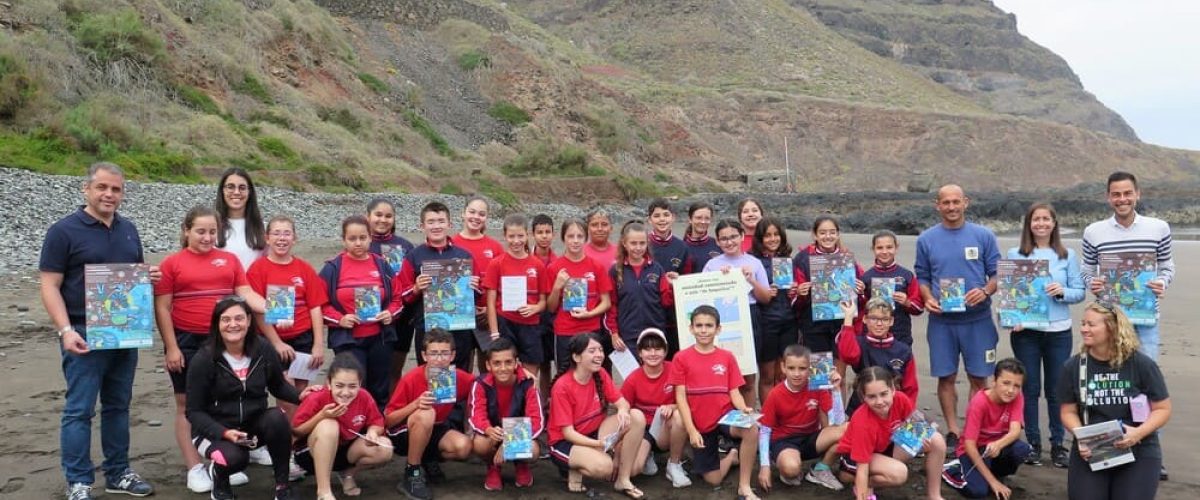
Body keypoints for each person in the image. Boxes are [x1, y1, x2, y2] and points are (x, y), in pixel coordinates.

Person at [39, 162, 156, 500]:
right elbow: (49, 285)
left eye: (116, 189)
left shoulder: (129, 230)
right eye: (102, 187)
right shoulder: (63, 231)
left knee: (119, 406)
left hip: (124, 334)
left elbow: (129, 280)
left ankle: (118, 473)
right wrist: (64, 330)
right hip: (83, 334)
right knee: (79, 409)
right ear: (86, 189)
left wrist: (147, 277)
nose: (109, 194)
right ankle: (78, 481)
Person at [155, 205, 266, 493]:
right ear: (186, 231)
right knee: (187, 405)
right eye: (200, 231)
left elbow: (245, 293)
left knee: (221, 402)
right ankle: (194, 467)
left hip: (224, 340)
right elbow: (163, 307)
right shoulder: (172, 263)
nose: (207, 237)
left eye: (212, 232)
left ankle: (221, 462)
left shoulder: (228, 260)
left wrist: (274, 309)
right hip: (187, 342)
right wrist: (171, 347)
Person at [185, 296, 311, 500]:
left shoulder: (262, 348)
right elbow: (193, 411)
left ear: (249, 321)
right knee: (235, 459)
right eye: (226, 320)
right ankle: (219, 478)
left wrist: (302, 396)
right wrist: (224, 432)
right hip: (214, 431)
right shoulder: (204, 359)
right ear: (217, 324)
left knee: (277, 418)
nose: (233, 324)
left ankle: (282, 486)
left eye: (239, 318)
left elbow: (278, 386)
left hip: (250, 425)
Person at [914, 184, 1001, 451]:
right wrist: (927, 297)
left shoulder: (984, 235)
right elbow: (922, 277)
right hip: (942, 322)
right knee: (946, 377)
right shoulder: (926, 239)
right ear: (937, 205)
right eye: (946, 202)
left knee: (979, 378)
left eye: (956, 202)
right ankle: (953, 430)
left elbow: (997, 275)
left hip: (978, 320)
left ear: (966, 202)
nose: (951, 207)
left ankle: (973, 430)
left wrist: (985, 291)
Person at [1057, 303, 1172, 499]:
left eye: (1091, 324)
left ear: (1111, 327)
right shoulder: (1074, 366)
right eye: (1083, 323)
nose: (1084, 329)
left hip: (1138, 447)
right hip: (1093, 448)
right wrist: (1081, 437)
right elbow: (1068, 412)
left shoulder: (1141, 364)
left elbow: (1162, 408)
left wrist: (1138, 433)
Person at [1006, 202, 1085, 467]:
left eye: (1046, 219)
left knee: (1056, 390)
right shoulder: (1014, 253)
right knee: (1028, 389)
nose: (1041, 223)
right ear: (1029, 224)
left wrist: (1061, 291)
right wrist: (1011, 319)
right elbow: (1010, 297)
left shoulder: (1067, 255)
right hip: (1026, 332)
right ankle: (1032, 443)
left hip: (1058, 332)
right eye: (1036, 219)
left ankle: (1057, 444)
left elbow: (1080, 291)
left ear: (1054, 223)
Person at [1080, 171, 1174, 361]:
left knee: (1147, 372)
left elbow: (1167, 266)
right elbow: (1086, 270)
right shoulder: (1093, 232)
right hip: (1108, 317)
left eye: (1127, 193)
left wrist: (1162, 282)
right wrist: (1092, 283)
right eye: (1116, 194)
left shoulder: (1159, 228)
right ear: (1108, 197)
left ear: (1137, 194)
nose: (1122, 199)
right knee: (1113, 375)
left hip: (1146, 316)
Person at [672, 305, 762, 500]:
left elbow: (734, 392)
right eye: (699, 325)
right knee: (713, 480)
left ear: (718, 329)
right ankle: (731, 456)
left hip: (725, 417)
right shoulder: (681, 358)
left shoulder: (727, 357)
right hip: (700, 423)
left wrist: (743, 408)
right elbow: (680, 397)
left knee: (751, 429)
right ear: (691, 328)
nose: (704, 330)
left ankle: (744, 486)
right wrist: (692, 430)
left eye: (709, 325)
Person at [548, 333, 646, 498]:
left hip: (594, 432)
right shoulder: (562, 386)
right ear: (577, 357)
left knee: (636, 416)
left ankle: (623, 479)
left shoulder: (600, 373)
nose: (599, 355)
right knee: (604, 467)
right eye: (592, 351)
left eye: (600, 350)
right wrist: (598, 444)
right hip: (565, 442)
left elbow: (622, 402)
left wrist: (622, 409)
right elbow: (568, 433)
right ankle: (574, 468)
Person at [319, 215, 402, 408]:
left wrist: (389, 313)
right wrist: (340, 319)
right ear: (344, 240)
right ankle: (350, 430)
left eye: (363, 238)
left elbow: (397, 298)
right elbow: (319, 305)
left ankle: (378, 428)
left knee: (380, 388)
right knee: (353, 388)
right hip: (348, 340)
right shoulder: (332, 268)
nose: (358, 243)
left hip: (380, 338)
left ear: (370, 238)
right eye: (352, 238)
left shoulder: (382, 265)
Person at [247, 216, 329, 405]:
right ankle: (285, 433)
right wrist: (276, 343)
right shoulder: (258, 269)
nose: (281, 238)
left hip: (303, 338)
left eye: (287, 233)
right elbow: (257, 311)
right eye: (276, 233)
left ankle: (297, 433)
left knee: (302, 393)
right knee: (285, 392)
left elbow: (315, 307)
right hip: (273, 339)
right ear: (267, 238)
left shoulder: (304, 268)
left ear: (294, 238)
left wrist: (318, 344)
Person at [385, 328, 474, 500]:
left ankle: (426, 458)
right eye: (433, 353)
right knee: (426, 413)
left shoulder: (458, 377)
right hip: (404, 430)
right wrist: (415, 404)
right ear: (424, 356)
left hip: (437, 427)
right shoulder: (410, 379)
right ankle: (412, 471)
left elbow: (484, 384)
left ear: (452, 355)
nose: (439, 359)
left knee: (463, 447)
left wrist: (521, 373)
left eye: (444, 354)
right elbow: (388, 420)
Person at [292, 353, 393, 500]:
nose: (345, 393)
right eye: (339, 386)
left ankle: (348, 474)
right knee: (329, 425)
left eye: (352, 386)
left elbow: (377, 422)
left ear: (360, 383)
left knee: (384, 448)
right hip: (310, 453)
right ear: (329, 383)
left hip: (346, 451)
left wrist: (372, 432)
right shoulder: (317, 397)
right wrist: (322, 416)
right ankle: (324, 491)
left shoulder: (364, 396)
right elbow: (296, 431)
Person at [837, 367, 947, 500]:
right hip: (855, 460)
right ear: (863, 397)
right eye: (872, 396)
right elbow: (862, 466)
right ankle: (867, 485)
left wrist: (921, 439)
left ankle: (934, 495)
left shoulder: (901, 399)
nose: (879, 401)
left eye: (884, 394)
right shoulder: (862, 421)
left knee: (937, 440)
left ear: (893, 390)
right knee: (899, 473)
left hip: (886, 446)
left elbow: (919, 423)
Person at [395, 202, 481, 370]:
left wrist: (473, 287)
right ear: (422, 226)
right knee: (431, 375)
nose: (436, 226)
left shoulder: (464, 256)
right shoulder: (414, 256)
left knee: (460, 374)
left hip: (459, 327)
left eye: (441, 221)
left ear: (449, 224)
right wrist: (416, 288)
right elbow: (402, 295)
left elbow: (479, 293)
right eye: (431, 222)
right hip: (427, 328)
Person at [757, 344, 846, 492]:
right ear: (783, 367)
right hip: (785, 441)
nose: (796, 374)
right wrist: (764, 466)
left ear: (810, 368)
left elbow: (838, 422)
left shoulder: (816, 384)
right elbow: (765, 431)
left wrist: (836, 390)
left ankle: (820, 469)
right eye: (791, 368)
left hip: (811, 438)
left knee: (848, 429)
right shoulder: (775, 394)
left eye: (802, 368)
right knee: (791, 469)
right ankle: (785, 465)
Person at [703, 219, 772, 408]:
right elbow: (703, 298)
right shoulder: (711, 265)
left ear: (742, 236)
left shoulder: (754, 263)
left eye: (733, 236)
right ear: (717, 242)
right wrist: (719, 279)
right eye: (723, 239)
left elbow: (765, 297)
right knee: (721, 375)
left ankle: (746, 422)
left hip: (750, 317)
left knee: (747, 377)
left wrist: (751, 280)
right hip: (720, 319)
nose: (729, 242)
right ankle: (725, 426)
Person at [941, 358, 1032, 499]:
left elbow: (1015, 431)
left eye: (1016, 386)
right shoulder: (979, 402)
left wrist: (998, 444)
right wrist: (992, 482)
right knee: (978, 492)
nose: (1011, 390)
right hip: (974, 450)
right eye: (1006, 383)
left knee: (1022, 450)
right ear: (994, 382)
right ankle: (951, 471)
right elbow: (969, 445)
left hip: (994, 448)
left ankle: (995, 474)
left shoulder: (1017, 396)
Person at [467, 338, 545, 491]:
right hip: (494, 432)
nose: (503, 368)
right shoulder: (481, 384)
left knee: (534, 450)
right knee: (480, 444)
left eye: (508, 362)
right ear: (488, 365)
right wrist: (488, 429)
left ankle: (520, 464)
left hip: (518, 433)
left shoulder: (528, 383)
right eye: (496, 363)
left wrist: (509, 441)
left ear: (516, 363)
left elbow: (537, 421)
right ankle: (493, 466)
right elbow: (476, 416)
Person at [620, 329, 691, 488]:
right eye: (647, 349)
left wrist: (671, 406)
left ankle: (674, 464)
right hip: (643, 430)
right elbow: (624, 406)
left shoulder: (674, 369)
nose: (653, 353)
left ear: (666, 351)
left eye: (658, 348)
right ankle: (647, 454)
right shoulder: (633, 378)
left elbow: (688, 399)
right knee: (634, 470)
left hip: (663, 427)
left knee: (680, 414)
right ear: (640, 353)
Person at [483, 214, 547, 378]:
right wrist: (495, 333)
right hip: (505, 323)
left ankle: (530, 402)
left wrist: (535, 308)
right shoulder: (496, 263)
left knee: (531, 372)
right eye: (511, 236)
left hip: (531, 325)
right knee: (505, 371)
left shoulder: (537, 265)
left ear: (527, 236)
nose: (516, 240)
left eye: (520, 236)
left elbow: (543, 301)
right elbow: (490, 302)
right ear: (504, 236)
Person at [365, 198, 418, 392]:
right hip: (369, 315)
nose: (383, 220)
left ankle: (391, 412)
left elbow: (414, 281)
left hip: (402, 316)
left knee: (394, 370)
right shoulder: (361, 243)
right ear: (367, 217)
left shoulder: (405, 247)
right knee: (367, 370)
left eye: (388, 216)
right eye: (378, 215)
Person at [546, 219, 614, 371]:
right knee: (564, 375)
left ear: (586, 238)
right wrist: (557, 287)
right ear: (563, 238)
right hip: (565, 330)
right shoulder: (554, 268)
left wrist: (589, 313)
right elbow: (550, 308)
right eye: (571, 236)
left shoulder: (596, 266)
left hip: (591, 329)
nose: (575, 241)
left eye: (580, 236)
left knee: (592, 374)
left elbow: (606, 302)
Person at [792, 216, 866, 354]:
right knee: (820, 370)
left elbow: (861, 294)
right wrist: (800, 293)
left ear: (838, 234)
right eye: (823, 232)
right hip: (814, 325)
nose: (828, 236)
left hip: (842, 321)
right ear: (815, 235)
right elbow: (793, 299)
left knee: (839, 370)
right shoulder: (802, 258)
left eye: (832, 232)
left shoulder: (846, 258)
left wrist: (860, 290)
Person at [607, 221, 675, 360]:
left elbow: (666, 302)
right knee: (632, 378)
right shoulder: (615, 271)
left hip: (654, 332)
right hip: (629, 336)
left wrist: (673, 286)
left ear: (647, 244)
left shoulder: (656, 269)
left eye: (642, 243)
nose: (638, 248)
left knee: (654, 377)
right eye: (633, 243)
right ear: (624, 243)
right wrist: (614, 333)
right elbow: (611, 305)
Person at [836, 299, 918, 414]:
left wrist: (906, 413)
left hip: (892, 408)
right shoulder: (859, 343)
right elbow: (848, 356)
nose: (879, 324)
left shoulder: (903, 351)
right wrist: (848, 319)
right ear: (865, 319)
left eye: (885, 319)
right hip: (861, 406)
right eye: (874, 319)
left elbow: (911, 388)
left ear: (891, 321)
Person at [452, 197, 506, 373]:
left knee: (490, 367)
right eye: (472, 212)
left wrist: (492, 310)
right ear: (463, 213)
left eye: (481, 214)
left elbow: (503, 284)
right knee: (462, 367)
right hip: (459, 317)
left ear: (487, 217)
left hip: (487, 317)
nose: (476, 217)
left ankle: (487, 399)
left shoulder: (495, 247)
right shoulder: (451, 244)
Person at [749, 216, 799, 399]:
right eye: (767, 235)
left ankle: (784, 418)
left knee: (784, 373)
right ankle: (768, 420)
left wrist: (795, 290)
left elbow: (796, 294)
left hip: (789, 322)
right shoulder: (752, 261)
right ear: (760, 238)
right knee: (768, 376)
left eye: (776, 234)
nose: (772, 239)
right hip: (766, 323)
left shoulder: (788, 260)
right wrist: (763, 289)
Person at [861, 230, 924, 346]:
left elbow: (919, 308)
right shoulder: (866, 277)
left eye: (889, 247)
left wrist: (906, 302)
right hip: (872, 338)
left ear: (896, 248)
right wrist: (861, 294)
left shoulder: (906, 275)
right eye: (880, 248)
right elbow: (861, 309)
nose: (885, 252)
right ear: (873, 249)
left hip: (900, 336)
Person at [647, 198, 690, 357]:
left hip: (673, 313)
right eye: (657, 216)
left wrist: (678, 280)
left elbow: (687, 278)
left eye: (666, 215)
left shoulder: (681, 247)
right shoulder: (642, 244)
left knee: (674, 358)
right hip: (649, 310)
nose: (662, 219)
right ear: (649, 219)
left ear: (673, 217)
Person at [214, 167, 266, 271]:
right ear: (222, 190)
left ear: (249, 192)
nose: (236, 192)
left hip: (251, 286)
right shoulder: (211, 226)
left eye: (242, 187)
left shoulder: (263, 228)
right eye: (230, 187)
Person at [530, 214, 558, 398]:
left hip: (551, 317)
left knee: (548, 362)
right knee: (532, 362)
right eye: (540, 232)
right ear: (533, 234)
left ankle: (546, 401)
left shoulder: (558, 262)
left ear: (553, 234)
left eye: (547, 232)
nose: (544, 236)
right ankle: (532, 400)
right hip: (531, 316)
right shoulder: (525, 259)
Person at [682, 201, 720, 273]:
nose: (703, 222)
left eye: (707, 218)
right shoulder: (681, 248)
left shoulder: (718, 245)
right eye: (698, 218)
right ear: (690, 219)